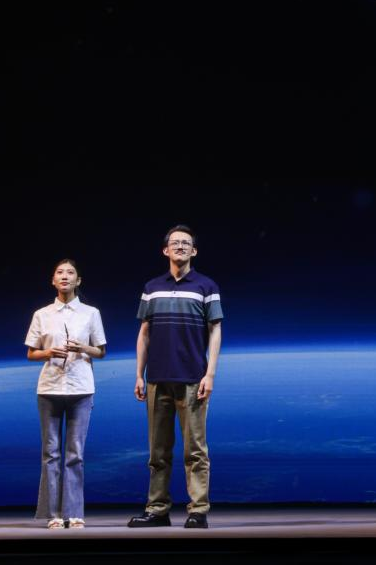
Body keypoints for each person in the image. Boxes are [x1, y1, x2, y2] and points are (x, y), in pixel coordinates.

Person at [127, 225, 223, 529]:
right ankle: (157, 510)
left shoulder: (206, 286)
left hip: (193, 378)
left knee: (195, 450)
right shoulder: (152, 287)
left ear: (194, 251)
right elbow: (144, 333)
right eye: (175, 242)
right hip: (157, 379)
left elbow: (215, 330)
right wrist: (138, 374)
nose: (180, 246)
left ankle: (198, 510)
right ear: (165, 250)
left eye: (186, 243)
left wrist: (210, 374)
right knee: (158, 452)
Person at [24, 258, 107, 529]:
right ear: (53, 280)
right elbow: (31, 353)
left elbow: (101, 351)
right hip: (49, 388)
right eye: (59, 272)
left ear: (78, 280)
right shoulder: (42, 314)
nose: (64, 276)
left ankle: (74, 512)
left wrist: (83, 347)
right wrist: (48, 352)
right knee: (50, 453)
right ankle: (53, 515)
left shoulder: (91, 313)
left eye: (70, 273)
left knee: (75, 454)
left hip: (81, 388)